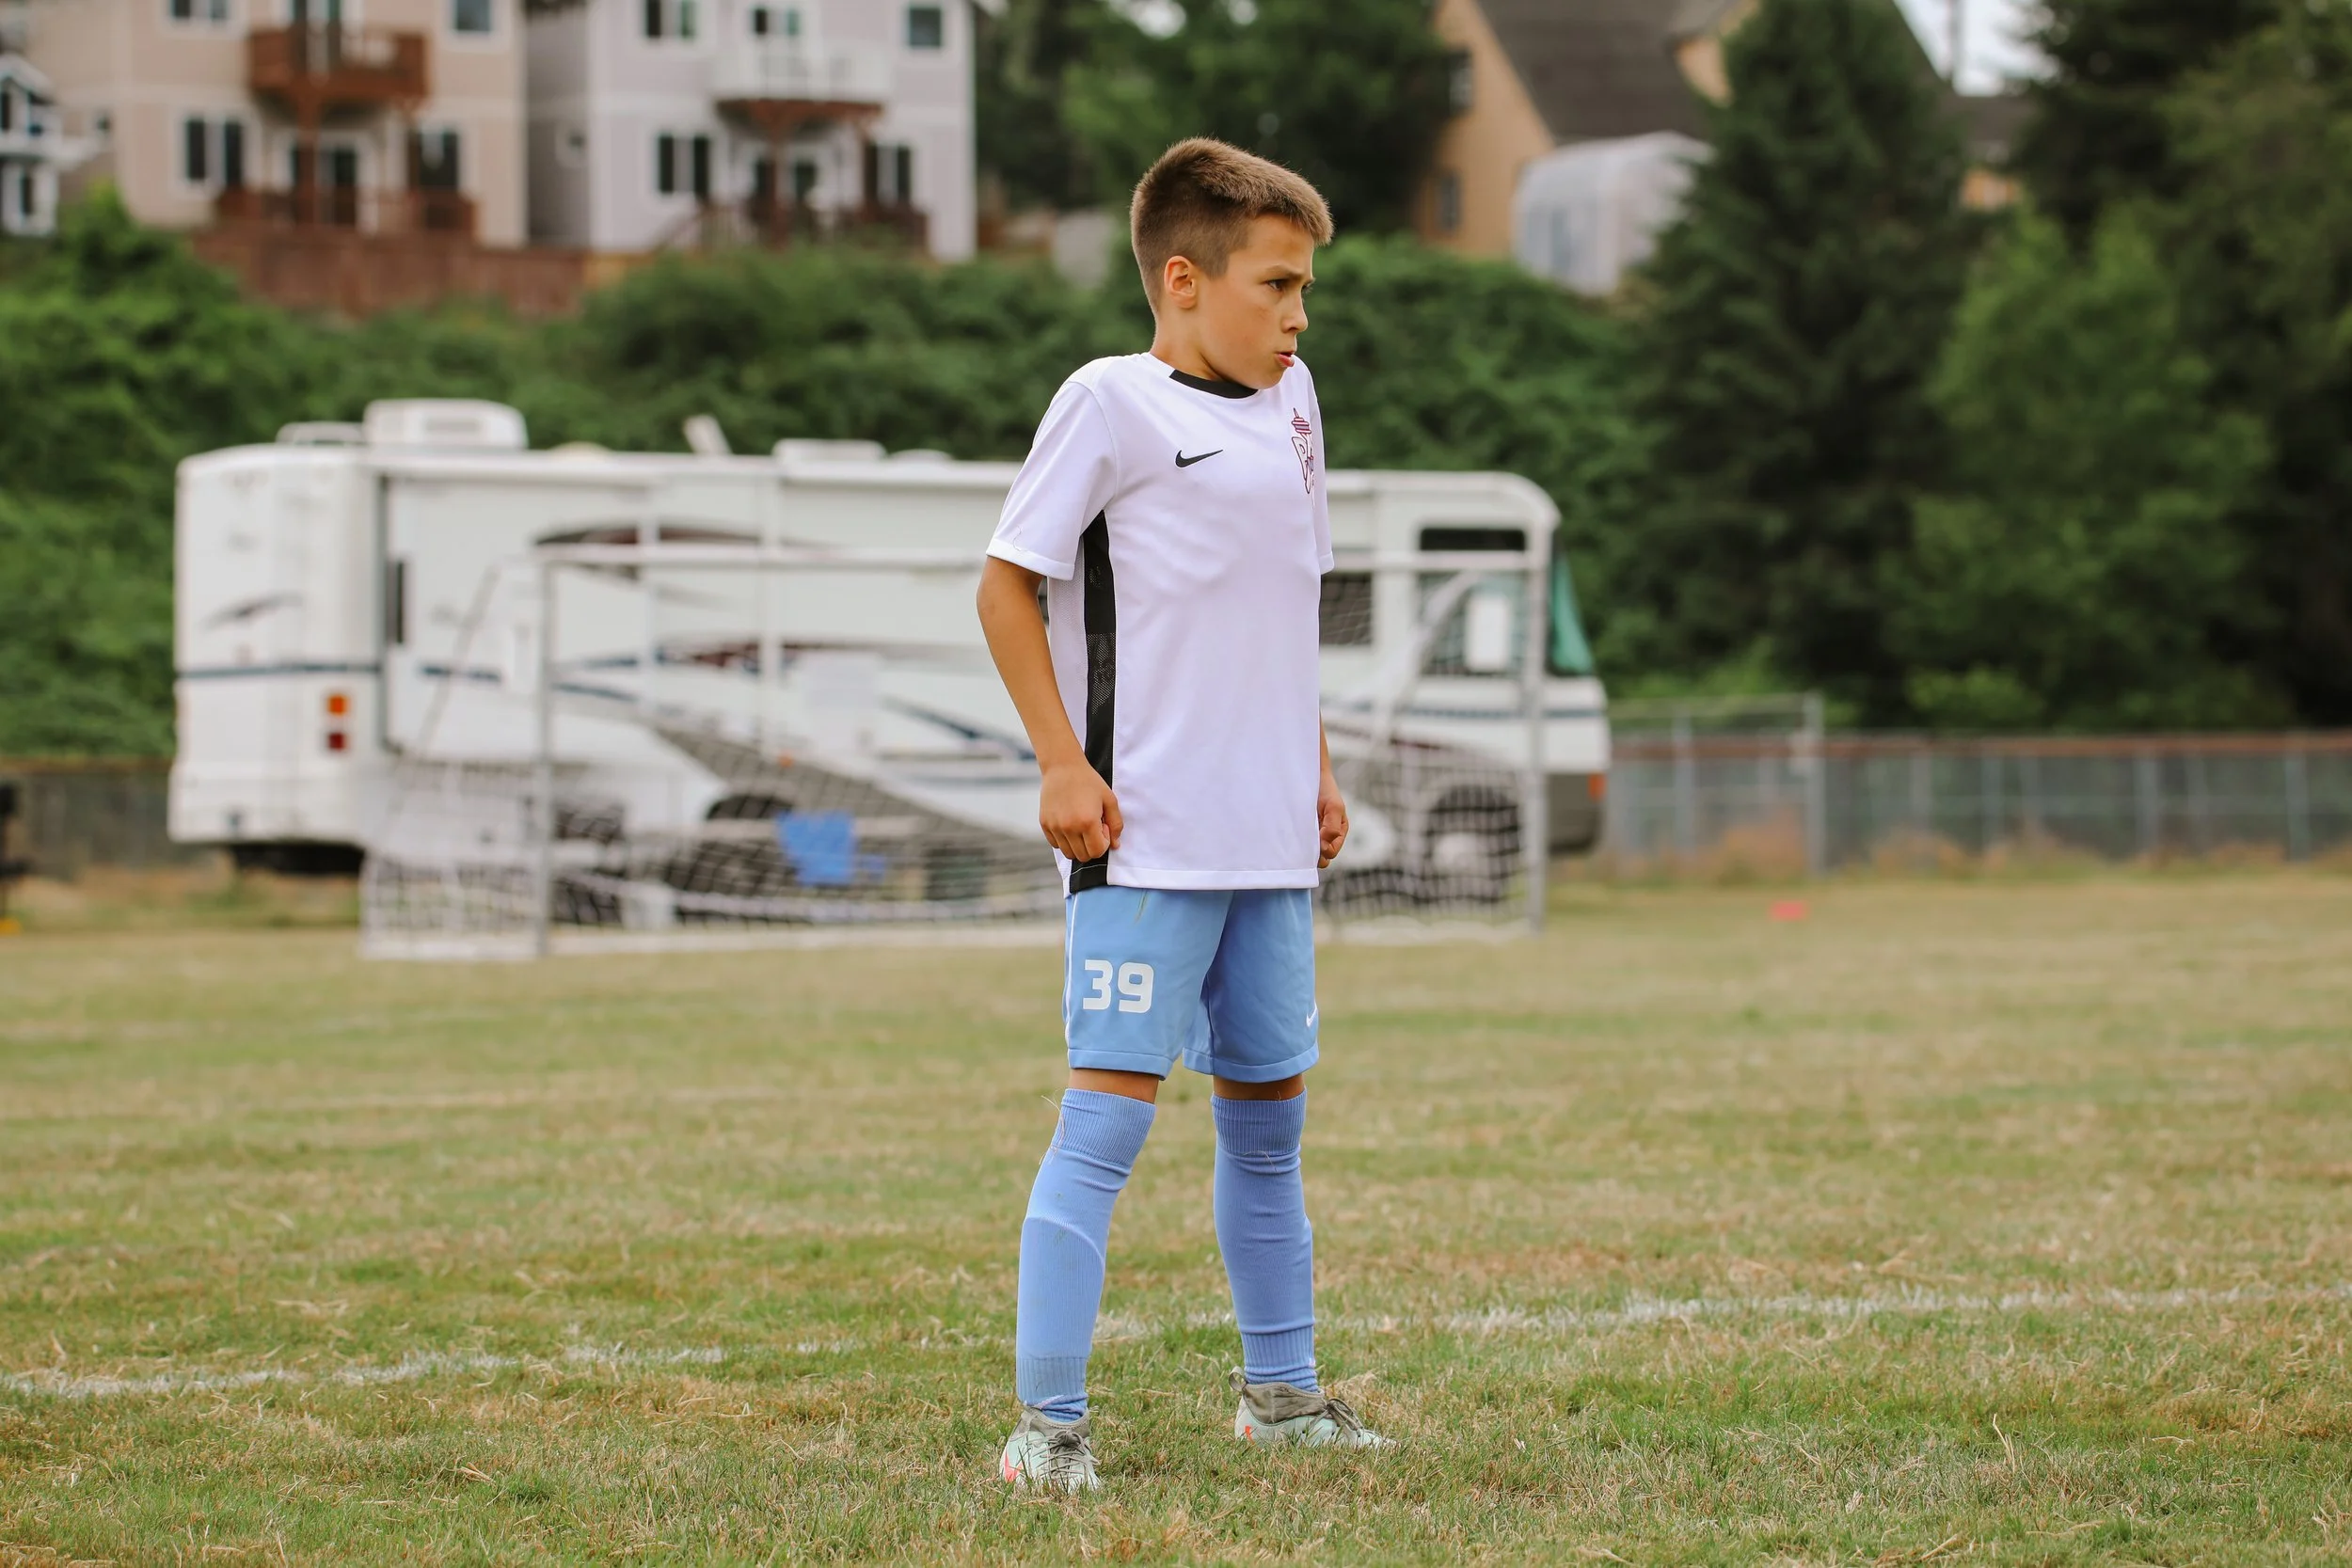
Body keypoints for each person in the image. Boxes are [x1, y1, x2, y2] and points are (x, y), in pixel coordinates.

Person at [976, 137, 1391, 1494]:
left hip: (1268, 843)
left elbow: (1290, 606)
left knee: (1269, 1128)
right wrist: (1058, 764)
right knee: (1103, 1126)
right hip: (1141, 842)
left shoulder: (1296, 406)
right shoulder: (1109, 404)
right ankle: (1049, 1428)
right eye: (1277, 284)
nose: (1298, 313)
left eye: (1304, 288)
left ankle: (1282, 1396)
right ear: (1182, 277)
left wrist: (1315, 769)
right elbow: (1004, 588)